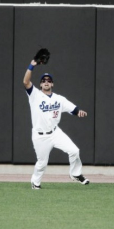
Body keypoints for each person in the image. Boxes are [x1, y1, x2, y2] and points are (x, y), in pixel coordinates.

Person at [23, 59, 90, 189]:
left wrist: (79, 112)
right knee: (42, 163)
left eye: (48, 80)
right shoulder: (34, 95)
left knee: (74, 151)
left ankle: (75, 174)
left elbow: (73, 109)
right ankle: (35, 183)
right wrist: (32, 65)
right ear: (41, 85)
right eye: (43, 81)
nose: (46, 82)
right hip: (40, 135)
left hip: (55, 132)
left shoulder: (59, 99)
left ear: (52, 84)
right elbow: (26, 82)